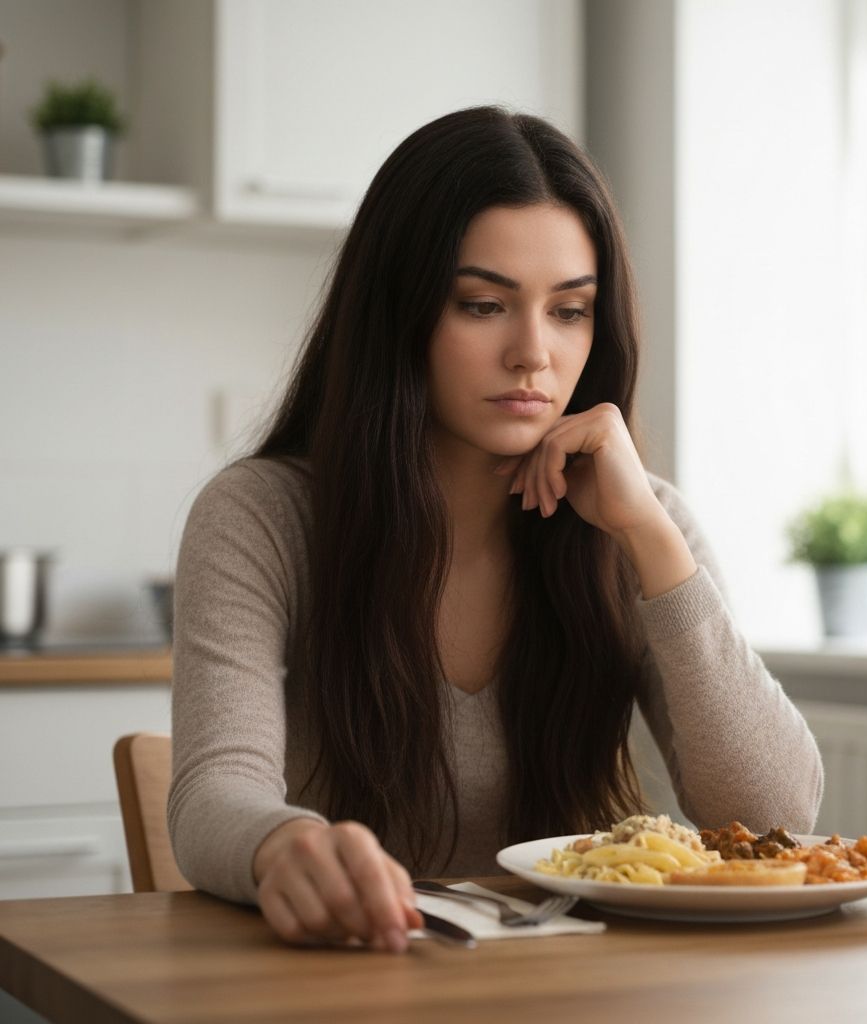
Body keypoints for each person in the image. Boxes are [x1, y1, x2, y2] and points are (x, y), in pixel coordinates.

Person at [169, 106, 823, 955]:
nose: (532, 353)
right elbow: (214, 793)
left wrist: (651, 542)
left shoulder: (642, 522)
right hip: (353, 976)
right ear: (398, 314)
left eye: (570, 311)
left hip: (573, 984)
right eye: (483, 305)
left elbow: (777, 817)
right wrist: (284, 845)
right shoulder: (260, 516)